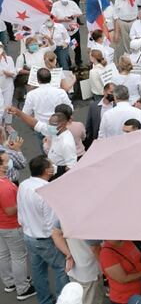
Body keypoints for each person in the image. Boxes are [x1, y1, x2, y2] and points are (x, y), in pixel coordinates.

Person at [17, 156, 67, 304]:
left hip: (28, 235)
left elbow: (20, 209)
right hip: (44, 239)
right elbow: (52, 224)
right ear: (47, 170)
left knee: (38, 272)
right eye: (51, 165)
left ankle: (44, 300)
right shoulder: (46, 192)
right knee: (61, 268)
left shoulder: (24, 184)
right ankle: (61, 300)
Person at [0, 151, 35, 300]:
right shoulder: (6, 187)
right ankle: (23, 288)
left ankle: (10, 283)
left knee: (4, 255)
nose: (10, 163)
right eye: (7, 161)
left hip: (2, 225)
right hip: (11, 225)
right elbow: (10, 210)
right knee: (18, 256)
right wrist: (22, 202)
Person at [6, 107, 75, 177]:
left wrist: (56, 171)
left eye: (53, 124)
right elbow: (36, 124)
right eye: (49, 124)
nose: (49, 127)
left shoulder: (66, 143)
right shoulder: (55, 130)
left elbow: (71, 167)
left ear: (62, 125)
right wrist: (18, 112)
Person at [99, 240, 141, 304]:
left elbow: (140, 257)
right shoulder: (107, 253)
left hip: (140, 291)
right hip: (124, 299)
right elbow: (123, 279)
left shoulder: (127, 241)